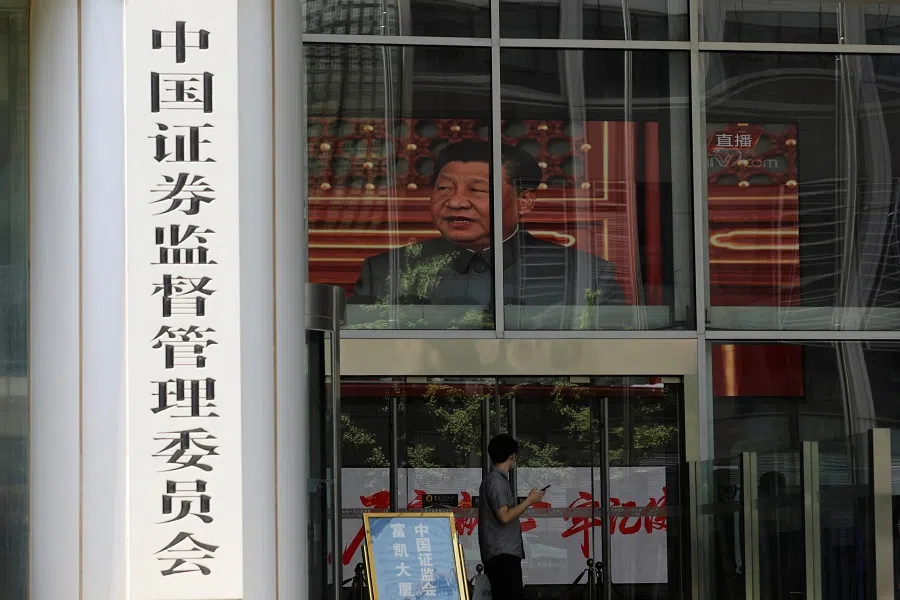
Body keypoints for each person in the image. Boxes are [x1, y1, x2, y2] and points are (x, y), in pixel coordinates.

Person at [349, 139, 623, 312]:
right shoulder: (387, 270)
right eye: (444, 188)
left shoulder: (586, 275)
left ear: (524, 201)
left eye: (478, 190)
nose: (455, 202)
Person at [478, 434, 544, 600]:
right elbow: (504, 516)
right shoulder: (496, 481)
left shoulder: (495, 480)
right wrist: (530, 500)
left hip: (501, 553)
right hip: (502, 554)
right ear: (512, 455)